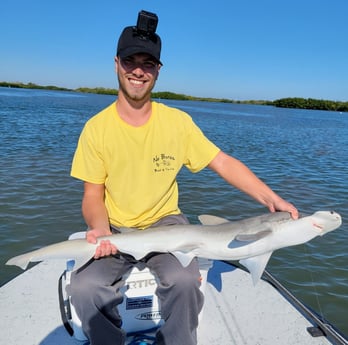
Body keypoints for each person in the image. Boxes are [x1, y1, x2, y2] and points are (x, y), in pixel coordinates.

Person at [69, 10, 298, 345]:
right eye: (131, 60)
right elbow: (92, 194)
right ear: (116, 63)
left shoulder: (177, 123)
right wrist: (100, 227)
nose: (138, 71)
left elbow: (222, 162)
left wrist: (271, 199)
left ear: (158, 71)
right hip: (115, 225)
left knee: (185, 281)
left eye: (148, 63)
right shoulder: (96, 129)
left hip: (167, 223)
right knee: (84, 287)